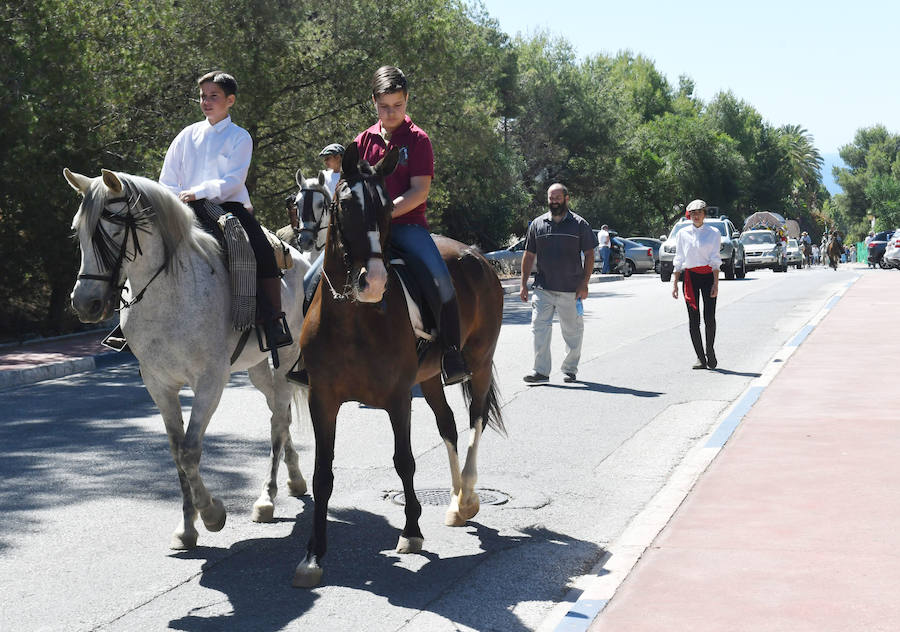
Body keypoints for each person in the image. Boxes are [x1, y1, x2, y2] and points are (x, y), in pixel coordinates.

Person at [294, 66, 469, 386]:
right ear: (373, 102)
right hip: (363, 232)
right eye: (384, 106)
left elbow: (419, 191)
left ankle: (452, 353)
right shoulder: (362, 141)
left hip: (407, 226)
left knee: (441, 280)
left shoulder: (418, 140)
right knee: (309, 280)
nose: (391, 113)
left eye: (398, 105)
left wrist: (385, 214)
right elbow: (347, 188)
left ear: (407, 100)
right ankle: (309, 355)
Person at [159, 71, 292, 350]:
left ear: (230, 100)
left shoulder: (239, 137)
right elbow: (167, 179)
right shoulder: (186, 135)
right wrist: (174, 200)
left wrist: (199, 191)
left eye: (213, 96)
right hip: (183, 207)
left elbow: (233, 181)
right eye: (203, 96)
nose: (206, 102)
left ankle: (271, 321)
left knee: (261, 249)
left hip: (226, 205)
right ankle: (134, 321)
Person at [520, 183, 598, 384]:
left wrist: (584, 283)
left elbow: (590, 254)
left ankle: (570, 369)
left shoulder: (580, 224)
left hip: (571, 289)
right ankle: (540, 371)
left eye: (557, 197)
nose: (553, 201)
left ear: (566, 198)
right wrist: (523, 284)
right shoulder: (537, 224)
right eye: (550, 198)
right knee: (539, 328)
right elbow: (529, 255)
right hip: (543, 287)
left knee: (572, 332)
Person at [671, 199, 721, 370]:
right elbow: (679, 258)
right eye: (693, 214)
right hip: (690, 278)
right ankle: (700, 357)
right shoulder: (682, 234)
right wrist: (675, 283)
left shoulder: (713, 233)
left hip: (708, 276)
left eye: (699, 213)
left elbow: (715, 259)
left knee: (709, 318)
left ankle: (710, 351)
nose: (696, 216)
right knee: (693, 320)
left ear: (704, 214)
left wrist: (716, 283)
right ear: (689, 216)